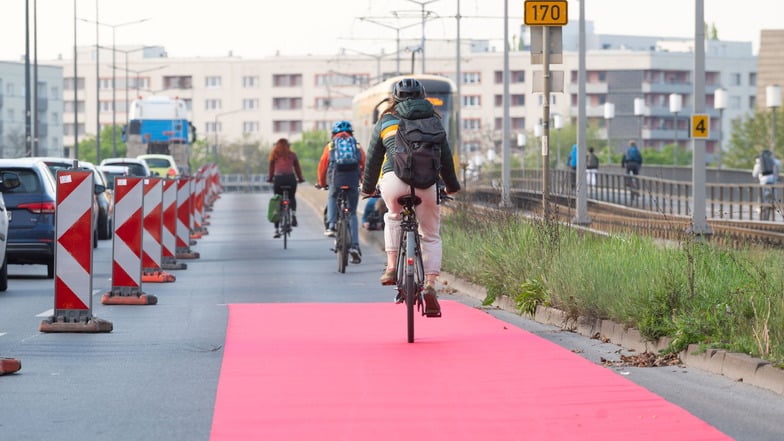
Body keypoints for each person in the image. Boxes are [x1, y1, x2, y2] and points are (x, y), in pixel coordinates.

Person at [360, 77, 461, 317]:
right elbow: (445, 160)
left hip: (393, 181)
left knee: (393, 217)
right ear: (423, 97)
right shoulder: (435, 121)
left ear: (394, 99)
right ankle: (430, 284)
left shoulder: (385, 121)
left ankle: (392, 267)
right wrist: (451, 187)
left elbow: (374, 159)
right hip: (426, 184)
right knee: (431, 234)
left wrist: (368, 188)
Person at [317, 120, 366, 263]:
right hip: (352, 181)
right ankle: (355, 246)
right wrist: (363, 180)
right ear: (351, 133)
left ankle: (331, 226)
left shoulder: (331, 145)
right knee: (352, 214)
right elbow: (365, 163)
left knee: (332, 197)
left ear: (333, 134)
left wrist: (321, 183)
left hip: (336, 180)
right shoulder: (356, 145)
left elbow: (322, 165)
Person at [267, 138, 305, 238]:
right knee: (292, 197)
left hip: (278, 179)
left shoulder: (274, 155)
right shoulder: (292, 155)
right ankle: (293, 215)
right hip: (290, 179)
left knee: (277, 200)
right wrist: (300, 179)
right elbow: (297, 169)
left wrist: (270, 179)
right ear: (288, 146)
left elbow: (271, 170)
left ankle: (276, 230)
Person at [752, 149, 782, 220]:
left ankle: (760, 207)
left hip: (764, 179)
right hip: (772, 178)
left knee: (761, 194)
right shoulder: (773, 160)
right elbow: (778, 166)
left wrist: (756, 177)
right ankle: (774, 204)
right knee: (774, 191)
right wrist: (776, 175)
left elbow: (754, 174)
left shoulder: (759, 163)